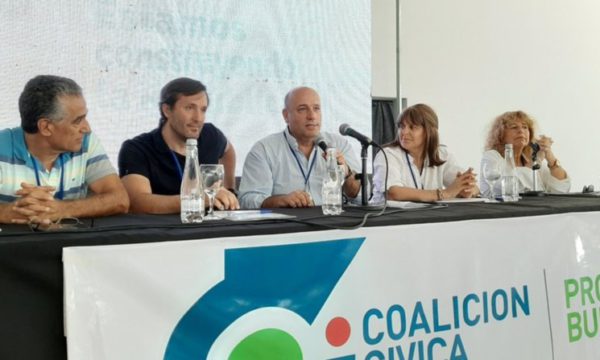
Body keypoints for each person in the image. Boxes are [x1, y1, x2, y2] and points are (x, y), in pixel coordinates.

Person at [0, 75, 129, 225]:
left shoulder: (85, 142)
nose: (87, 128)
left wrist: (61, 209)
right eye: (78, 121)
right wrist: (7, 212)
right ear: (46, 127)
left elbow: (120, 199)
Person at [118, 77, 239, 213]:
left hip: (212, 229)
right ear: (167, 110)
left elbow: (228, 152)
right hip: (164, 232)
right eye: (189, 108)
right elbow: (137, 202)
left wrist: (230, 190)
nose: (198, 118)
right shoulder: (138, 149)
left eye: (203, 110)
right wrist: (196, 201)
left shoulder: (210, 135)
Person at [238, 86, 361, 209]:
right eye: (302, 109)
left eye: (316, 109)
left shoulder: (339, 145)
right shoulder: (264, 150)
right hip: (287, 226)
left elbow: (361, 198)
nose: (312, 116)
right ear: (286, 115)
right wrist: (281, 200)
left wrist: (347, 173)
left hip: (333, 224)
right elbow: (247, 200)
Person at [372, 103, 478, 203]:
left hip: (426, 219)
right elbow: (393, 193)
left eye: (412, 127)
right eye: (401, 126)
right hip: (388, 219)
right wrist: (444, 193)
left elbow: (473, 188)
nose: (404, 132)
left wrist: (466, 188)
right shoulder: (387, 154)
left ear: (429, 131)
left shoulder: (441, 154)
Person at [480, 110, 570, 196]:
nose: (521, 131)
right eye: (514, 127)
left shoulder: (530, 159)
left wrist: (550, 156)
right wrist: (535, 162)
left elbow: (561, 190)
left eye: (525, 127)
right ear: (500, 134)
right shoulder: (492, 156)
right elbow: (509, 188)